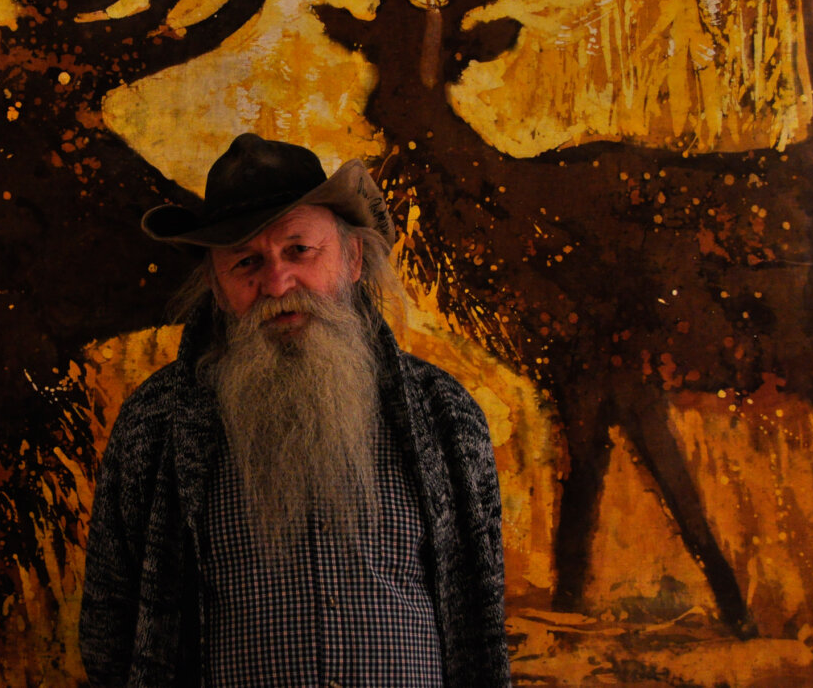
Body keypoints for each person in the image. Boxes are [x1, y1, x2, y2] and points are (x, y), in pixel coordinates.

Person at [80, 133, 510, 686]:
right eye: (246, 262)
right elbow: (109, 628)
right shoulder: (154, 425)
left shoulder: (446, 414)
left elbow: (480, 618)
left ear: (352, 258)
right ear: (216, 285)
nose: (277, 283)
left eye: (299, 250)